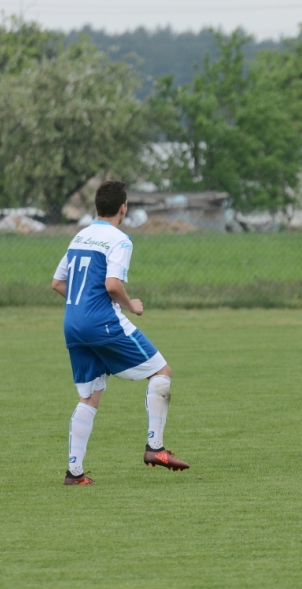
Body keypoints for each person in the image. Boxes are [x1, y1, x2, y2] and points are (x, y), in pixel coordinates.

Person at [51, 181, 188, 486]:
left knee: (89, 396)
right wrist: (131, 305)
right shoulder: (120, 240)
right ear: (123, 208)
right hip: (103, 322)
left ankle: (74, 473)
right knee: (162, 372)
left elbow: (58, 283)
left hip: (72, 324)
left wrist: (83, 306)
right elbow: (113, 285)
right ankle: (155, 448)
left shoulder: (80, 236)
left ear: (96, 207)